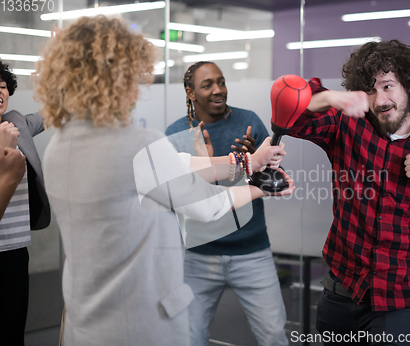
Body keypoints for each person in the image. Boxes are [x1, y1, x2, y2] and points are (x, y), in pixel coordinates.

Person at [32, 15, 292, 346]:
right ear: (118, 78)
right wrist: (260, 187)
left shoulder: (59, 147)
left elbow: (175, 167)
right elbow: (208, 205)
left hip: (86, 322)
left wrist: (247, 161)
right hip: (138, 323)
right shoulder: (136, 144)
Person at [286, 40, 410, 345]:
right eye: (370, 90)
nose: (380, 99)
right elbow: (292, 114)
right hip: (341, 289)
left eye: (388, 86)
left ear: (409, 86)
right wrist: (331, 96)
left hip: (399, 297)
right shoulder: (347, 124)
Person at [165, 61, 289, 346]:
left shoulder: (249, 121)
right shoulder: (176, 134)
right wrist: (207, 162)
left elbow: (274, 175)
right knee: (188, 338)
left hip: (252, 253)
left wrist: (259, 164)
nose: (218, 90)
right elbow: (176, 197)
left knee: (273, 337)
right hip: (197, 256)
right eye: (207, 85)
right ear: (190, 93)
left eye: (221, 82)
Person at [0, 60, 51, 346]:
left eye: (3, 86)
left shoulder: (17, 121)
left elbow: (52, 112)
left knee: (13, 327)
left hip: (16, 246)